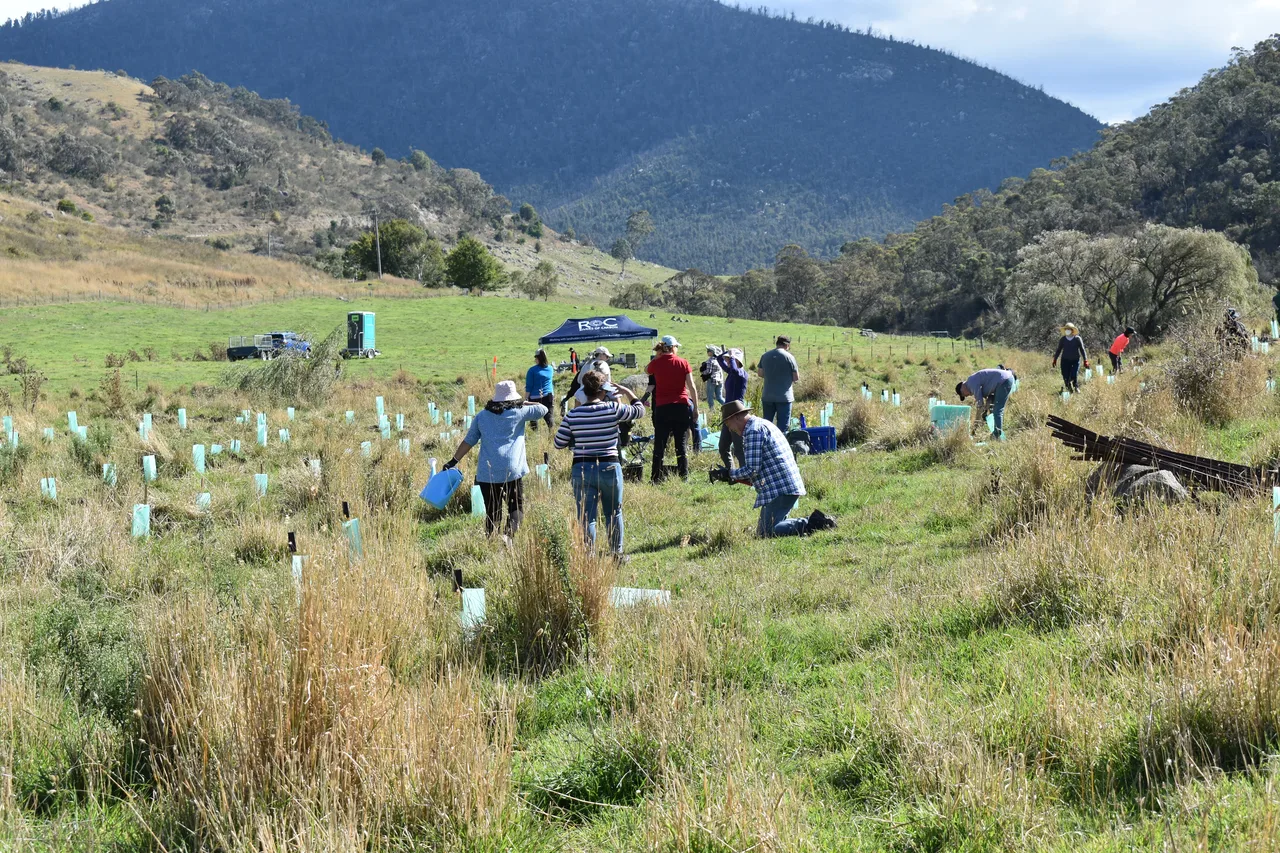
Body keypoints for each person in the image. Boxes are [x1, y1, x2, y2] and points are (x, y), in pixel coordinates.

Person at [554, 370, 645, 558]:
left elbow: (558, 443)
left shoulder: (573, 415)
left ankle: (589, 556)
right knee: (613, 513)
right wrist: (628, 392)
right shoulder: (612, 409)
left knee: (587, 516)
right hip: (609, 466)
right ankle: (616, 554)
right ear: (604, 390)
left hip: (582, 467)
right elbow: (640, 411)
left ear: (584, 391)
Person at [445, 380, 548, 541]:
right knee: (516, 508)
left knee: (492, 512)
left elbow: (469, 440)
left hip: (487, 472)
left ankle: (490, 544)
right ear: (514, 399)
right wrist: (524, 402)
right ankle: (507, 537)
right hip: (512, 470)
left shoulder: (482, 416)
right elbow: (543, 409)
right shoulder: (519, 412)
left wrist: (453, 460)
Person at [717, 400, 836, 537]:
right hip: (783, 484)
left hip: (779, 488)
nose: (729, 428)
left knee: (766, 532)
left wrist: (729, 473)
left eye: (728, 424)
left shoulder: (752, 431)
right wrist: (732, 475)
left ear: (736, 417)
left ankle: (814, 523)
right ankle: (814, 522)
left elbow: (752, 469)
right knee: (767, 530)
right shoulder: (761, 424)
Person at [645, 335, 699, 482]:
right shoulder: (683, 362)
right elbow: (692, 387)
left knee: (660, 443)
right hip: (681, 406)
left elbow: (646, 370)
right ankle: (684, 476)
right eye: (676, 347)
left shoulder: (656, 363)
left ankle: (655, 477)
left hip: (662, 408)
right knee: (680, 444)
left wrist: (657, 356)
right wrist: (696, 408)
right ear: (673, 347)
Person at [956, 367, 1016, 439]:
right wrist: (985, 411)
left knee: (998, 409)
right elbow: (989, 399)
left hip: (1004, 381)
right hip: (1004, 381)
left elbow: (980, 405)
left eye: (964, 395)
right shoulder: (972, 383)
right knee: (994, 408)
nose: (967, 396)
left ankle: (996, 434)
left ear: (962, 389)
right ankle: (997, 432)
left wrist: (975, 427)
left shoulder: (971, 383)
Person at [758, 335, 800, 430]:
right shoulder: (790, 357)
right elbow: (796, 377)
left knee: (767, 426)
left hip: (768, 396)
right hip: (784, 397)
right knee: (783, 427)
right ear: (787, 345)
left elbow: (760, 373)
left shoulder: (765, 356)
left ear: (777, 343)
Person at [716, 347, 748, 468]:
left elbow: (734, 370)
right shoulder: (731, 372)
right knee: (723, 446)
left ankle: (746, 474)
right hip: (728, 412)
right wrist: (727, 352)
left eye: (730, 360)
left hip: (737, 414)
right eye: (728, 360)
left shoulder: (741, 374)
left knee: (739, 448)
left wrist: (733, 355)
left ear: (738, 360)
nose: (728, 362)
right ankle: (732, 473)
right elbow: (719, 359)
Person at [1051, 323, 1089, 393]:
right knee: (1065, 375)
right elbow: (1059, 349)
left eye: (1068, 329)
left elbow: (1082, 349)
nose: (1067, 330)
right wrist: (1055, 359)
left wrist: (1085, 360)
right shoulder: (1063, 339)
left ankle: (1076, 386)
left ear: (1072, 330)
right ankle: (1069, 389)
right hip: (1065, 360)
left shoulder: (1077, 339)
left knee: (1073, 374)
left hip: (1075, 360)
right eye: (1066, 329)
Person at [525, 349, 555, 429]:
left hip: (534, 397)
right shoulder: (550, 369)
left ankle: (535, 435)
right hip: (548, 396)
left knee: (533, 418)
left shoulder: (532, 370)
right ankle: (551, 435)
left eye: (536, 358)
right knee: (549, 418)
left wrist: (526, 398)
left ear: (538, 358)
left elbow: (529, 386)